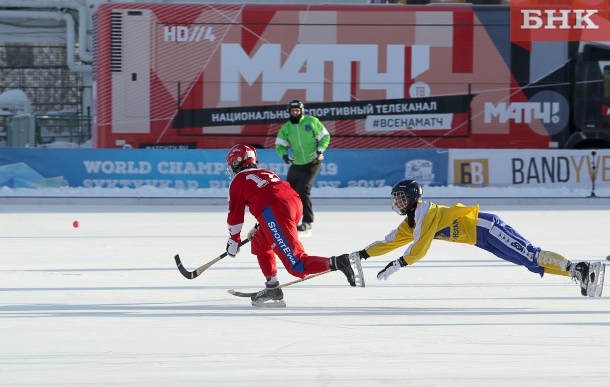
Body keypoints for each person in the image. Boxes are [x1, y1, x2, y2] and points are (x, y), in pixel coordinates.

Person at [351, 180, 605, 297]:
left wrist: (399, 264)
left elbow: (419, 247)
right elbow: (390, 241)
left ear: (412, 198)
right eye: (396, 199)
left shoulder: (424, 212)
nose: (397, 202)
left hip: (487, 227)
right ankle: (578, 272)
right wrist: (362, 255)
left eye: (400, 198)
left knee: (531, 254)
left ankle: (577, 268)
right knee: (529, 264)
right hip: (481, 239)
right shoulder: (412, 221)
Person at [224, 144, 362, 307]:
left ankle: (338, 262)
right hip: (294, 204)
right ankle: (272, 288)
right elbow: (270, 194)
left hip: (276, 210)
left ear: (236, 162)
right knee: (260, 242)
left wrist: (233, 240)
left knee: (296, 264)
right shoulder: (266, 172)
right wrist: (258, 226)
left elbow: (235, 216)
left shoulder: (238, 181)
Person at [275, 99, 331, 235]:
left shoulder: (311, 121)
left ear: (302, 111)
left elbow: (325, 137)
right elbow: (280, 144)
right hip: (297, 163)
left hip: (313, 162)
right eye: (293, 110)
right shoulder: (286, 127)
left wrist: (320, 150)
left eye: (298, 110)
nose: (295, 112)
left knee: (303, 189)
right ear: (289, 112)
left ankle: (307, 222)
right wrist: (284, 155)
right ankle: (288, 220)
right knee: (288, 192)